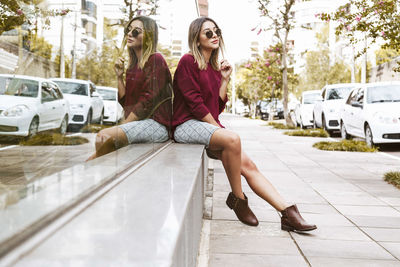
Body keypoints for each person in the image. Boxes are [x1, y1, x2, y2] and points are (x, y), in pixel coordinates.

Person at [172, 17, 317, 232]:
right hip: (186, 126)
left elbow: (215, 108)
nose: (214, 36)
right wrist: (218, 130)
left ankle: (287, 213)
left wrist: (224, 80)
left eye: (216, 31)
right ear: (196, 38)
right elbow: (196, 106)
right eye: (208, 33)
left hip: (206, 127)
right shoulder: (187, 61)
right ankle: (238, 200)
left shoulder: (214, 68)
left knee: (249, 167)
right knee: (232, 139)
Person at [87, 16, 172, 161]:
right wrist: (119, 77)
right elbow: (126, 103)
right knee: (100, 151)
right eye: (129, 30)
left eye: (136, 31)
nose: (130, 34)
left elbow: (147, 101)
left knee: (104, 136)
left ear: (149, 37)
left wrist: (123, 126)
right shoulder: (133, 66)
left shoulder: (156, 59)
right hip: (139, 123)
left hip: (157, 125)